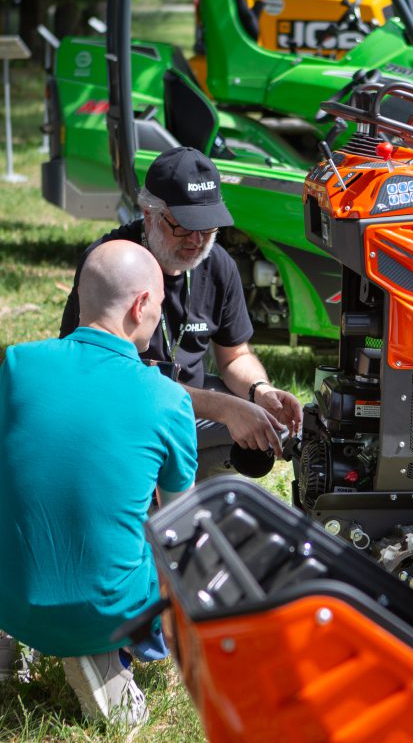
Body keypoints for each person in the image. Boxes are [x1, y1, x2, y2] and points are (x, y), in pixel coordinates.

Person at [0, 240, 198, 726]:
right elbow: (183, 532)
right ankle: (103, 656)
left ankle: (12, 638)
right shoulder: (168, 399)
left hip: (9, 595)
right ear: (141, 305)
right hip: (104, 612)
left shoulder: (16, 366)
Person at [60, 146, 302, 479]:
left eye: (208, 228)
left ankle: (182, 485)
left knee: (274, 425)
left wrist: (260, 391)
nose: (197, 241)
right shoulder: (112, 264)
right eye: (184, 227)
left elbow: (234, 356)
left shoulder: (218, 265)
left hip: (186, 409)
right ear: (148, 213)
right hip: (124, 416)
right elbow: (112, 381)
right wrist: (226, 408)